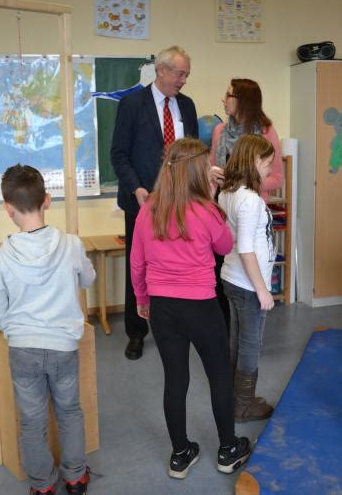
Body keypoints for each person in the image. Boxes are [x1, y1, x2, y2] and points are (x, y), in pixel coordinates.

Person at [130, 138, 251, 479]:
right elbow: (226, 245)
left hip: (163, 308)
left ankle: (180, 455)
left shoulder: (148, 208)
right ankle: (228, 450)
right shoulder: (206, 210)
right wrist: (213, 201)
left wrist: (142, 298)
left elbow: (137, 262)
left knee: (175, 379)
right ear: (200, 172)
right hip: (201, 306)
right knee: (217, 376)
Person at [0, 164, 96, 495]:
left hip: (23, 349)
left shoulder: (0, 258)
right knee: (70, 411)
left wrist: (15, 329)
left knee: (31, 422)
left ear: (8, 209)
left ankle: (43, 486)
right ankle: (76, 477)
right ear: (47, 201)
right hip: (63, 346)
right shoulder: (72, 245)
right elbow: (87, 279)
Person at [111, 46, 198, 360]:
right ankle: (136, 333)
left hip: (180, 202)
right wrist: (135, 188)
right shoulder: (132, 104)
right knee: (140, 267)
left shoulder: (186, 106)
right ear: (161, 70)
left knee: (177, 265)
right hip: (142, 202)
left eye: (186, 74)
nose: (183, 80)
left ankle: (175, 326)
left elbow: (193, 153)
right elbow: (118, 154)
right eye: (179, 73)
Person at [210, 78, 283, 333]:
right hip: (223, 210)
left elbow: (277, 177)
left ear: (242, 100)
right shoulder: (219, 131)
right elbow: (211, 168)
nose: (223, 99)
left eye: (228, 94)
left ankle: (246, 335)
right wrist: (214, 175)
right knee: (224, 272)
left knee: (247, 267)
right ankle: (226, 332)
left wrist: (245, 183)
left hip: (249, 210)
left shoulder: (265, 131)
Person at [218, 134, 276, 422]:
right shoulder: (250, 199)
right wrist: (262, 290)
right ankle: (243, 406)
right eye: (268, 163)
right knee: (250, 344)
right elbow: (246, 248)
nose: (270, 170)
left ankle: (235, 398)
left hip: (233, 278)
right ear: (254, 161)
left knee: (237, 340)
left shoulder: (228, 192)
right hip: (247, 283)